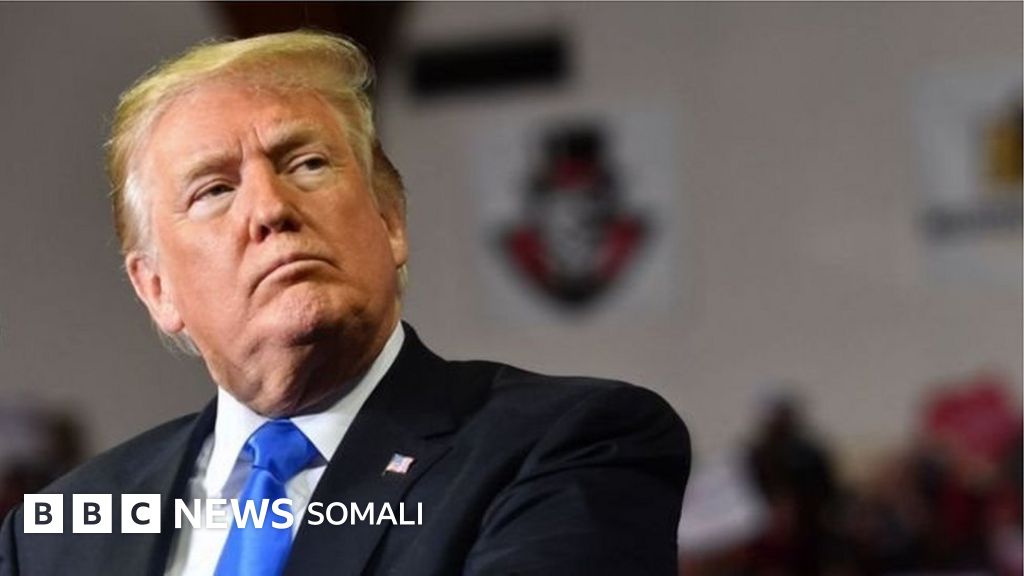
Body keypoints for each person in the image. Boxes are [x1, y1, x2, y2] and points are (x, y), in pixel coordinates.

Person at [0, 31, 690, 576]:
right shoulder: (55, 533)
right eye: (214, 190)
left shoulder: (568, 444)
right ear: (156, 288)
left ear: (391, 222)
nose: (270, 209)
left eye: (306, 164)